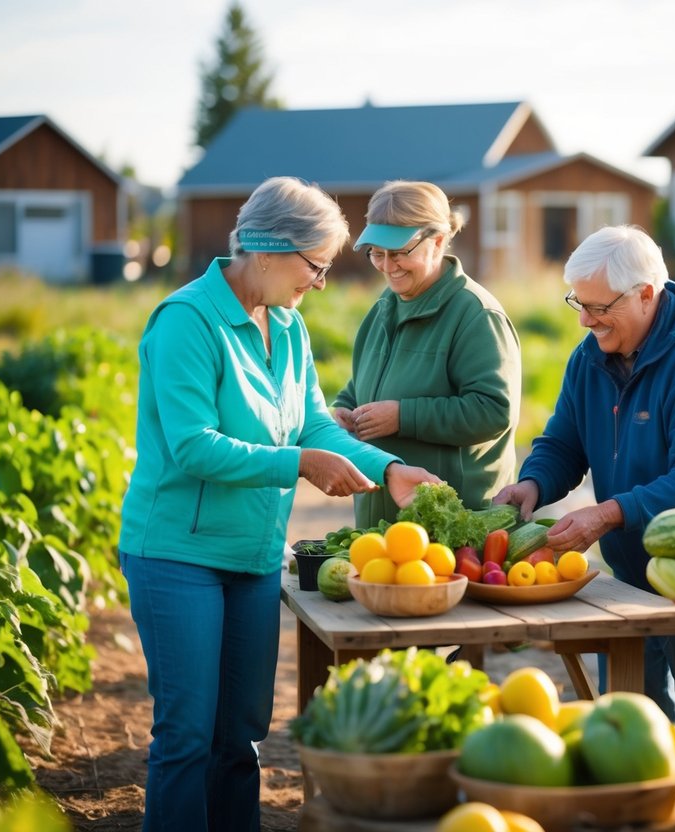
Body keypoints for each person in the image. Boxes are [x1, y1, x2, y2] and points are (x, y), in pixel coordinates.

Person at [117, 176, 439, 832]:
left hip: (254, 555)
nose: (320, 282)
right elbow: (192, 448)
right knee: (186, 737)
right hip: (178, 553)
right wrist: (297, 465)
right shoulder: (186, 321)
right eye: (314, 265)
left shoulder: (287, 328)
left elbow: (315, 424)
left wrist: (393, 470)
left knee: (241, 736)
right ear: (266, 251)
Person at [491, 225, 675, 722]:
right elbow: (564, 442)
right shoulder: (590, 358)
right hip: (633, 562)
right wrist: (533, 482)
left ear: (646, 295)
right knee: (632, 708)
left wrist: (607, 514)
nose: (584, 320)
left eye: (598, 308)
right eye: (577, 304)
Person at [329, 180, 521, 524]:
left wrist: (403, 417)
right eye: (377, 252)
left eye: (400, 252)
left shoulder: (476, 314)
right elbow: (363, 382)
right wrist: (343, 408)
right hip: (382, 517)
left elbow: (494, 411)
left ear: (437, 241)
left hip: (453, 521)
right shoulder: (383, 306)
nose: (388, 266)